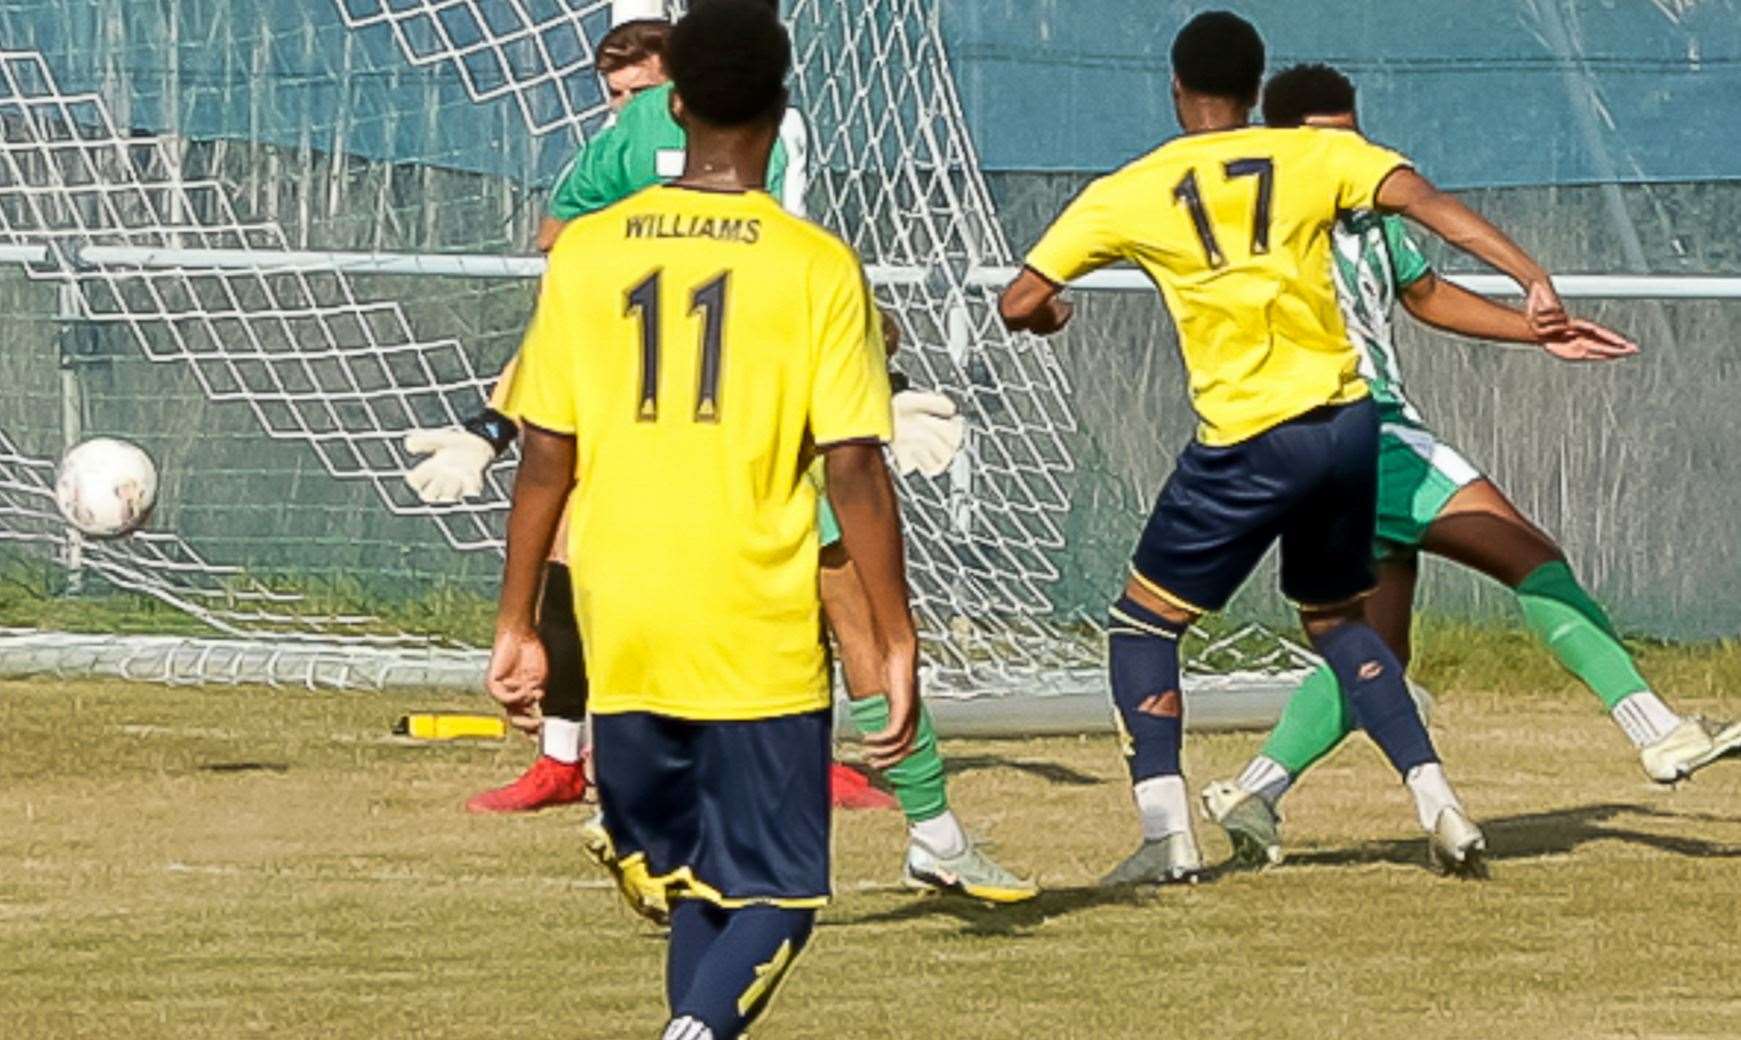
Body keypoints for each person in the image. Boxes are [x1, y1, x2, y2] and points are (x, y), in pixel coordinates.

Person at [406, 0, 1035, 904]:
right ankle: (896, 832)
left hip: (649, 439)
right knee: (849, 629)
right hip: (757, 424)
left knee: (648, 610)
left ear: (670, 88)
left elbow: (559, 248)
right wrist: (879, 386)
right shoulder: (785, 175)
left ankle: (647, 819)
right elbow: (785, 286)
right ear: (773, 94)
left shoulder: (613, 175)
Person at [1001, 10, 1575, 883]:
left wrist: (1049, 313)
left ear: (1175, 89)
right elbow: (1428, 204)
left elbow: (1017, 302)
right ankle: (1437, 801)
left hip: (1246, 439)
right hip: (1345, 425)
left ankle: (1166, 838)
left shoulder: (1130, 187)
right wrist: (1531, 278)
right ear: (1255, 89)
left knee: (1143, 624)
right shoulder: (1313, 156)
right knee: (1336, 620)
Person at [485, 4, 917, 1036]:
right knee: (777, 893)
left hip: (623, 616)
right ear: (777, 113)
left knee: (694, 883)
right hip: (751, 625)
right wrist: (894, 639)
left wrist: (516, 622)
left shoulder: (586, 254)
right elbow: (852, 464)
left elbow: (548, 451)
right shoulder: (815, 265)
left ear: (672, 105)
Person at [1201, 63, 1741, 867]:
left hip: (1324, 453)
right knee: (1534, 560)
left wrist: (1538, 333)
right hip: (1358, 433)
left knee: (1375, 651)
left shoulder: (1371, 217)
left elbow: (1422, 295)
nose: (1352, 159)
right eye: (1328, 144)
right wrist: (1530, 279)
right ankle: (1655, 731)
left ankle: (1255, 791)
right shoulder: (1268, 228)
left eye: (1356, 140)